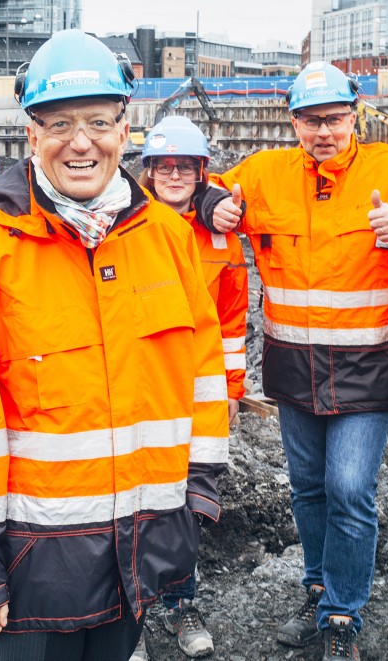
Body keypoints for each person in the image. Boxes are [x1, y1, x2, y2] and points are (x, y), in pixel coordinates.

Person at [0, 29, 230, 661]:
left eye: (96, 121)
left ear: (124, 128)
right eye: (59, 124)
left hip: (140, 547)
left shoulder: (167, 238)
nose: (80, 142)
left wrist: (196, 490)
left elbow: (199, 374)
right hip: (34, 561)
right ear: (30, 136)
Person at [196, 61, 388, 660]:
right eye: (311, 121)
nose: (324, 132)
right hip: (294, 368)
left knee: (348, 488)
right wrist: (215, 209)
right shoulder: (265, 174)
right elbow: (208, 186)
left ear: (354, 115)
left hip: (366, 368)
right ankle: (318, 584)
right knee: (309, 488)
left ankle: (342, 612)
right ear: (294, 122)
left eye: (334, 119)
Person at [129, 115, 247, 661]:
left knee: (184, 501)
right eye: (163, 165)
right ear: (147, 171)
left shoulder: (220, 234)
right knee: (124, 501)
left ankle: (181, 602)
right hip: (137, 385)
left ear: (202, 172)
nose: (173, 175)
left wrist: (230, 389)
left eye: (185, 166)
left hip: (192, 390)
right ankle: (124, 619)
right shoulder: (124, 224)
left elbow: (230, 319)